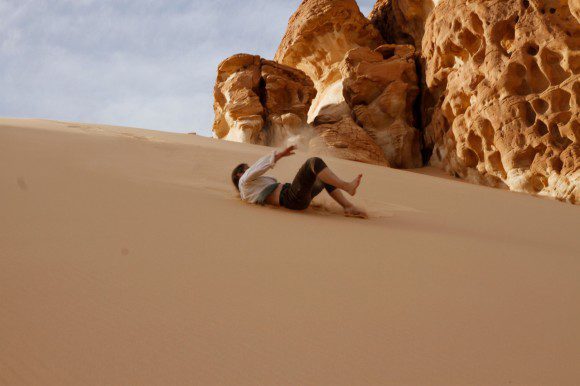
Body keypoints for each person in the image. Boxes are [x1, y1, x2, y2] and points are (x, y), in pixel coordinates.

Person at [231, 145, 368, 218]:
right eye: (246, 169)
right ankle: (346, 186)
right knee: (313, 162)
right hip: (291, 197)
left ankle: (348, 207)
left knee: (322, 177)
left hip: (296, 199)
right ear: (240, 174)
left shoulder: (248, 192)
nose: (249, 169)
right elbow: (259, 167)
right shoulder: (244, 181)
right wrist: (279, 155)